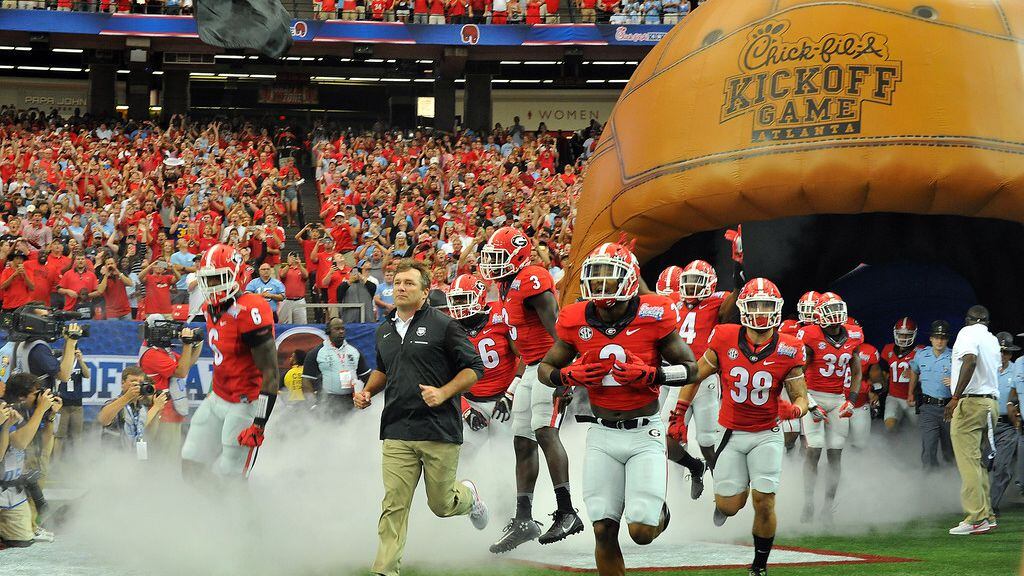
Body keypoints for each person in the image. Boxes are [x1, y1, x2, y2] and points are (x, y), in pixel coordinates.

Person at [538, 242, 698, 576]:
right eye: (595, 277)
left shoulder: (653, 313)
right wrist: (566, 374)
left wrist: (654, 374)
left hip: (644, 431)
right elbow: (545, 368)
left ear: (628, 280)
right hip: (601, 433)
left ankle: (658, 513)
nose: (600, 285)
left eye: (609, 278)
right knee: (602, 530)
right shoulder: (575, 318)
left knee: (641, 533)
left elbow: (690, 368)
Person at [352, 259, 488, 576]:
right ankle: (385, 569)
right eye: (398, 282)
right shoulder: (384, 329)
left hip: (439, 429)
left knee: (441, 505)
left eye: (410, 283)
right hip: (397, 428)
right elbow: (384, 371)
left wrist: (443, 393)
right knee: (393, 504)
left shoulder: (445, 325)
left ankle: (467, 496)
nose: (401, 287)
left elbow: (474, 369)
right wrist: (368, 391)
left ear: (425, 292)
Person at [693, 278, 809, 576]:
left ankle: (759, 565)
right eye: (754, 304)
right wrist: (678, 408)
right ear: (743, 308)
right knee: (731, 506)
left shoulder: (789, 347)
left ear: (777, 309)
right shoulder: (724, 336)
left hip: (767, 433)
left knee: (765, 501)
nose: (760, 311)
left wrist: (795, 409)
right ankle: (731, 495)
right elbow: (695, 373)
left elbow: (801, 396)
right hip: (730, 432)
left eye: (766, 305)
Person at [480, 226, 581, 553]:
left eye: (498, 257)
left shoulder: (532, 278)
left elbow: (560, 328)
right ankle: (524, 518)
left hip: (548, 367)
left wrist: (563, 375)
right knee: (522, 441)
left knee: (545, 433)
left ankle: (567, 512)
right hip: (530, 368)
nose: (492, 264)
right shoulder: (508, 285)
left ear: (518, 255)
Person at [181, 244, 280, 480]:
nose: (212, 287)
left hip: (245, 403)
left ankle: (243, 517)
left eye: (218, 279)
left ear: (235, 274)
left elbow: (271, 372)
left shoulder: (251, 309)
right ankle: (216, 514)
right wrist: (211, 392)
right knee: (191, 466)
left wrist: (259, 423)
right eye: (208, 280)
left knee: (231, 477)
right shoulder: (209, 308)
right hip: (217, 396)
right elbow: (223, 360)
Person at [657, 233, 743, 499]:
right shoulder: (673, 304)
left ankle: (722, 489)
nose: (692, 287)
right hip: (677, 378)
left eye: (698, 282)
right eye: (689, 281)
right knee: (663, 439)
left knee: (707, 441)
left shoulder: (716, 302)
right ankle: (693, 468)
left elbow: (737, 296)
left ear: (710, 284)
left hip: (704, 380)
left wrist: (738, 263)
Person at [797, 292, 861, 524]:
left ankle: (827, 506)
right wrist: (810, 404)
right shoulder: (811, 335)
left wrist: (852, 400)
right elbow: (798, 374)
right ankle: (808, 502)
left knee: (835, 454)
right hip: (814, 395)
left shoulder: (853, 335)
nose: (834, 315)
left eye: (837, 309)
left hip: (838, 399)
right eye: (829, 310)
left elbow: (856, 371)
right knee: (814, 450)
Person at [445, 274, 520, 452]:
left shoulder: (501, 315)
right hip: (472, 401)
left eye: (463, 298)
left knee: (505, 453)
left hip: (505, 397)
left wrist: (511, 394)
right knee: (464, 451)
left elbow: (525, 354)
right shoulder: (448, 328)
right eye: (455, 300)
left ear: (479, 296)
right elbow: (441, 376)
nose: (458, 305)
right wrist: (464, 409)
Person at [946, 305, 1000, 535]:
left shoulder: (967, 333)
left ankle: (976, 518)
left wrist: (955, 397)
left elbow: (969, 360)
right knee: (978, 462)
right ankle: (987, 514)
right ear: (987, 321)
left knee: (968, 461)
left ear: (968, 320)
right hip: (991, 404)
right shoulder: (992, 339)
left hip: (971, 402)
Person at [0, 374, 61, 548]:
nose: (40, 397)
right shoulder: (5, 410)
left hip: (13, 490)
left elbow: (44, 443)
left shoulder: (28, 411)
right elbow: (20, 442)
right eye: (36, 394)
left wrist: (50, 415)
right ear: (21, 397)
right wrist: (41, 410)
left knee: (23, 541)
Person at [139, 318, 203, 464]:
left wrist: (197, 343)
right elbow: (181, 372)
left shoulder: (162, 351)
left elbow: (187, 364)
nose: (170, 332)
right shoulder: (151, 354)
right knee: (165, 458)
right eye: (165, 329)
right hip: (162, 413)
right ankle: (163, 483)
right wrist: (187, 344)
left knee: (172, 455)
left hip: (170, 411)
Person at [908, 320, 954, 469]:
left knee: (949, 448)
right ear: (931, 338)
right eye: (936, 337)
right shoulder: (921, 355)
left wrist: (955, 381)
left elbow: (967, 380)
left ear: (947, 339)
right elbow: (914, 371)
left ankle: (949, 480)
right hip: (928, 407)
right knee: (929, 447)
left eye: (943, 338)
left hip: (949, 408)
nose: (939, 341)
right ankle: (928, 481)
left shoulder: (955, 357)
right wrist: (910, 393)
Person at [303, 317, 371, 418]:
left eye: (343, 329)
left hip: (351, 400)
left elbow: (367, 377)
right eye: (337, 329)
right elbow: (306, 381)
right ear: (328, 331)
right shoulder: (316, 353)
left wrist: (366, 396)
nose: (341, 332)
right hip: (327, 401)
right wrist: (312, 405)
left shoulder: (354, 352)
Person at [778, 291, 819, 453]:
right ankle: (784, 461)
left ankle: (800, 470)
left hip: (815, 388)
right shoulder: (789, 327)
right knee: (791, 434)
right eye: (806, 309)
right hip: (792, 384)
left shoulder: (827, 333)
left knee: (807, 439)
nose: (808, 314)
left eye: (812, 309)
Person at [97, 366, 168, 453]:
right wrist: (127, 397)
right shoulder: (114, 403)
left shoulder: (142, 407)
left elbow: (145, 429)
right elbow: (103, 419)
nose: (138, 385)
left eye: (141, 383)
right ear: (123, 383)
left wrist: (157, 408)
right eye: (134, 382)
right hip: (113, 458)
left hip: (134, 458)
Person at [989, 332, 1020, 518]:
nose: (1003, 356)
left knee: (1002, 467)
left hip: (1008, 425)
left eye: (1007, 352)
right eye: (1000, 352)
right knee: (981, 464)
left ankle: (991, 505)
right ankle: (977, 500)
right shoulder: (983, 368)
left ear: (1011, 354)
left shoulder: (1018, 370)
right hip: (985, 424)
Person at [881, 317, 923, 432]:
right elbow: (883, 372)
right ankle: (895, 448)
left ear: (914, 335)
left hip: (913, 398)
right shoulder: (888, 349)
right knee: (890, 425)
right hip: (893, 396)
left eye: (907, 335)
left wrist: (918, 375)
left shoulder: (921, 351)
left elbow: (930, 375)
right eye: (901, 334)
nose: (903, 338)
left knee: (918, 430)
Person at [849, 335, 883, 450]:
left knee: (860, 444)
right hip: (835, 403)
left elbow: (879, 382)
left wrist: (873, 391)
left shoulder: (868, 352)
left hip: (859, 404)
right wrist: (867, 389)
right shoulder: (825, 349)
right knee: (835, 443)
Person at [278, 252, 309, 324]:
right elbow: (282, 275)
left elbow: (306, 276)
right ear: (287, 259)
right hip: (286, 300)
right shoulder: (284, 269)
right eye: (291, 257)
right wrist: (289, 264)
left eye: (295, 256)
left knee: (301, 325)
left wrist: (300, 264)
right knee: (284, 323)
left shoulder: (301, 269)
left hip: (299, 300)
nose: (293, 258)